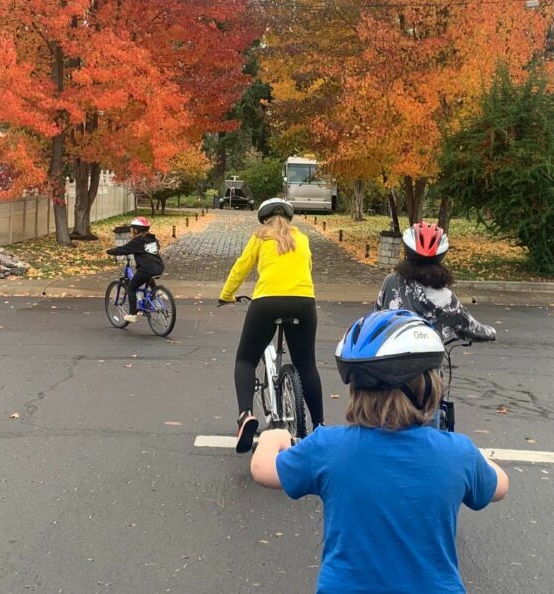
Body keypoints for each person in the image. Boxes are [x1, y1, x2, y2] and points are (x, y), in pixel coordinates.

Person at [250, 310, 509, 593]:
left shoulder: (327, 447)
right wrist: (474, 457)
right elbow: (499, 486)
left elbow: (262, 470)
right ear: (429, 387)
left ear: (356, 389)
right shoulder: (458, 454)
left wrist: (272, 437)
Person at [218, 198, 324, 453]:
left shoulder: (260, 238)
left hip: (267, 302)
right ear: (289, 219)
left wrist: (226, 295)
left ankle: (245, 416)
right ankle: (319, 426)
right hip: (303, 302)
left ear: (264, 219)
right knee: (306, 364)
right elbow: (307, 268)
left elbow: (240, 268)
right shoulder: (303, 238)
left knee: (245, 360)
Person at [376, 221, 497, 344]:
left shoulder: (391, 281)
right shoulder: (447, 299)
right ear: (440, 257)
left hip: (387, 354)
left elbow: (376, 317)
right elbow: (472, 327)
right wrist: (490, 332)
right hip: (426, 358)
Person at [105, 216, 163, 323]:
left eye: (132, 229)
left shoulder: (137, 241)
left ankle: (132, 314)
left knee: (131, 288)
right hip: (159, 267)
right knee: (148, 277)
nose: (131, 232)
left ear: (136, 230)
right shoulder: (153, 240)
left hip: (147, 269)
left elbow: (123, 249)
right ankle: (156, 292)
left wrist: (109, 251)